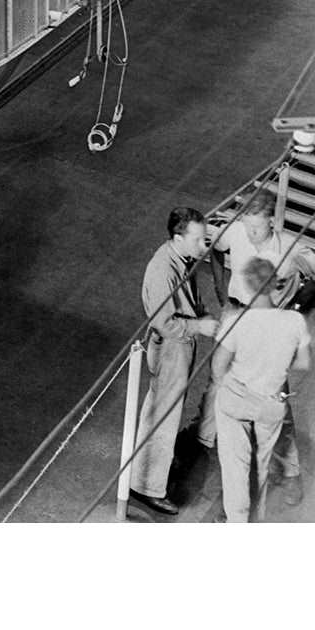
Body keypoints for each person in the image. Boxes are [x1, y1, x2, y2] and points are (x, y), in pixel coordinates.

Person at [132, 206, 219, 518]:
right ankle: (148, 487)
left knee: (165, 409)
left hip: (178, 345)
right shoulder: (162, 270)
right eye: (197, 240)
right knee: (163, 415)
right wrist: (200, 326)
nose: (203, 246)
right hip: (171, 346)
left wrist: (201, 312)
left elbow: (188, 299)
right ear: (177, 236)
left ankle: (151, 468)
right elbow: (165, 322)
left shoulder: (180, 259)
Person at [210, 256, 311, 522]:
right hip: (271, 402)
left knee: (236, 467)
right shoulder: (294, 320)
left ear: (248, 286)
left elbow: (218, 366)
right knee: (261, 466)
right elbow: (303, 363)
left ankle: (236, 522)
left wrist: (228, 386)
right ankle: (256, 521)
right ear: (274, 285)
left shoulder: (237, 320)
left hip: (237, 399)